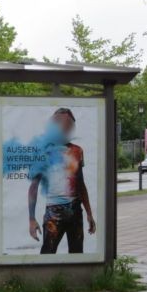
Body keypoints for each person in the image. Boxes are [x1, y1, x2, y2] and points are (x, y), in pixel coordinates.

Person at [27, 108, 96, 254]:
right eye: (62, 123)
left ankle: (75, 277)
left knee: (77, 253)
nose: (66, 127)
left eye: (69, 124)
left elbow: (80, 183)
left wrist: (89, 213)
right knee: (47, 253)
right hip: (54, 211)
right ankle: (45, 277)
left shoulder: (77, 151)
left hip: (75, 210)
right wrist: (32, 219)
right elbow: (34, 187)